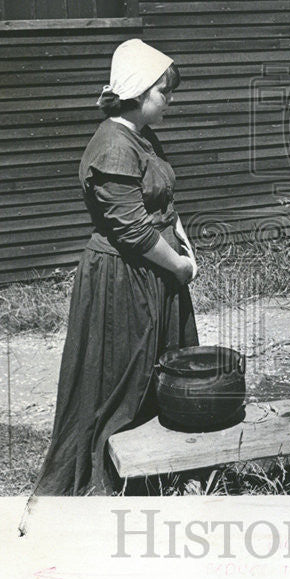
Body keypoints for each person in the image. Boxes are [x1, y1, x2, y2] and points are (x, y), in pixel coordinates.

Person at [34, 39, 199, 495]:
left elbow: (161, 198)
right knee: (121, 381)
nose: (171, 100)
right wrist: (180, 269)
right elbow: (132, 231)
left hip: (156, 271)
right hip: (124, 278)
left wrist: (184, 240)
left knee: (158, 374)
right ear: (140, 92)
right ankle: (106, 476)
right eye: (165, 92)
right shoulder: (113, 144)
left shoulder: (142, 135)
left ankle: (154, 470)